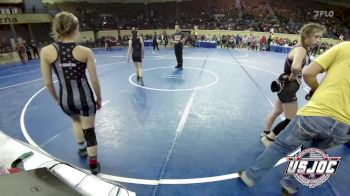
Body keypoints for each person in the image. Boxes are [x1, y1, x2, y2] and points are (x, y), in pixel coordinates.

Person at [239, 41, 350, 195]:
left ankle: (250, 176)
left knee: (281, 146)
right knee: (311, 154)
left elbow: (308, 72)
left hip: (317, 113)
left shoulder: (345, 47)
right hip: (343, 126)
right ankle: (289, 186)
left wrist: (317, 91)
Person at [40, 12, 102, 175]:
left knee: (76, 121)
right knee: (89, 129)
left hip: (66, 99)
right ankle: (93, 164)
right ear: (76, 29)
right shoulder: (85, 51)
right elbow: (94, 80)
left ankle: (82, 149)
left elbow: (47, 82)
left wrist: (57, 99)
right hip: (84, 98)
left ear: (57, 28)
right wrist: (99, 98)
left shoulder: (46, 51)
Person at [261, 23, 325, 147]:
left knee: (276, 111)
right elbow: (295, 67)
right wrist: (293, 76)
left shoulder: (301, 48)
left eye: (320, 37)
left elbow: (299, 66)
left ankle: (265, 132)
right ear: (307, 36)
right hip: (288, 89)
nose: (318, 40)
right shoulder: (301, 49)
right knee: (291, 120)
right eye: (316, 37)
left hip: (284, 87)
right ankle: (269, 138)